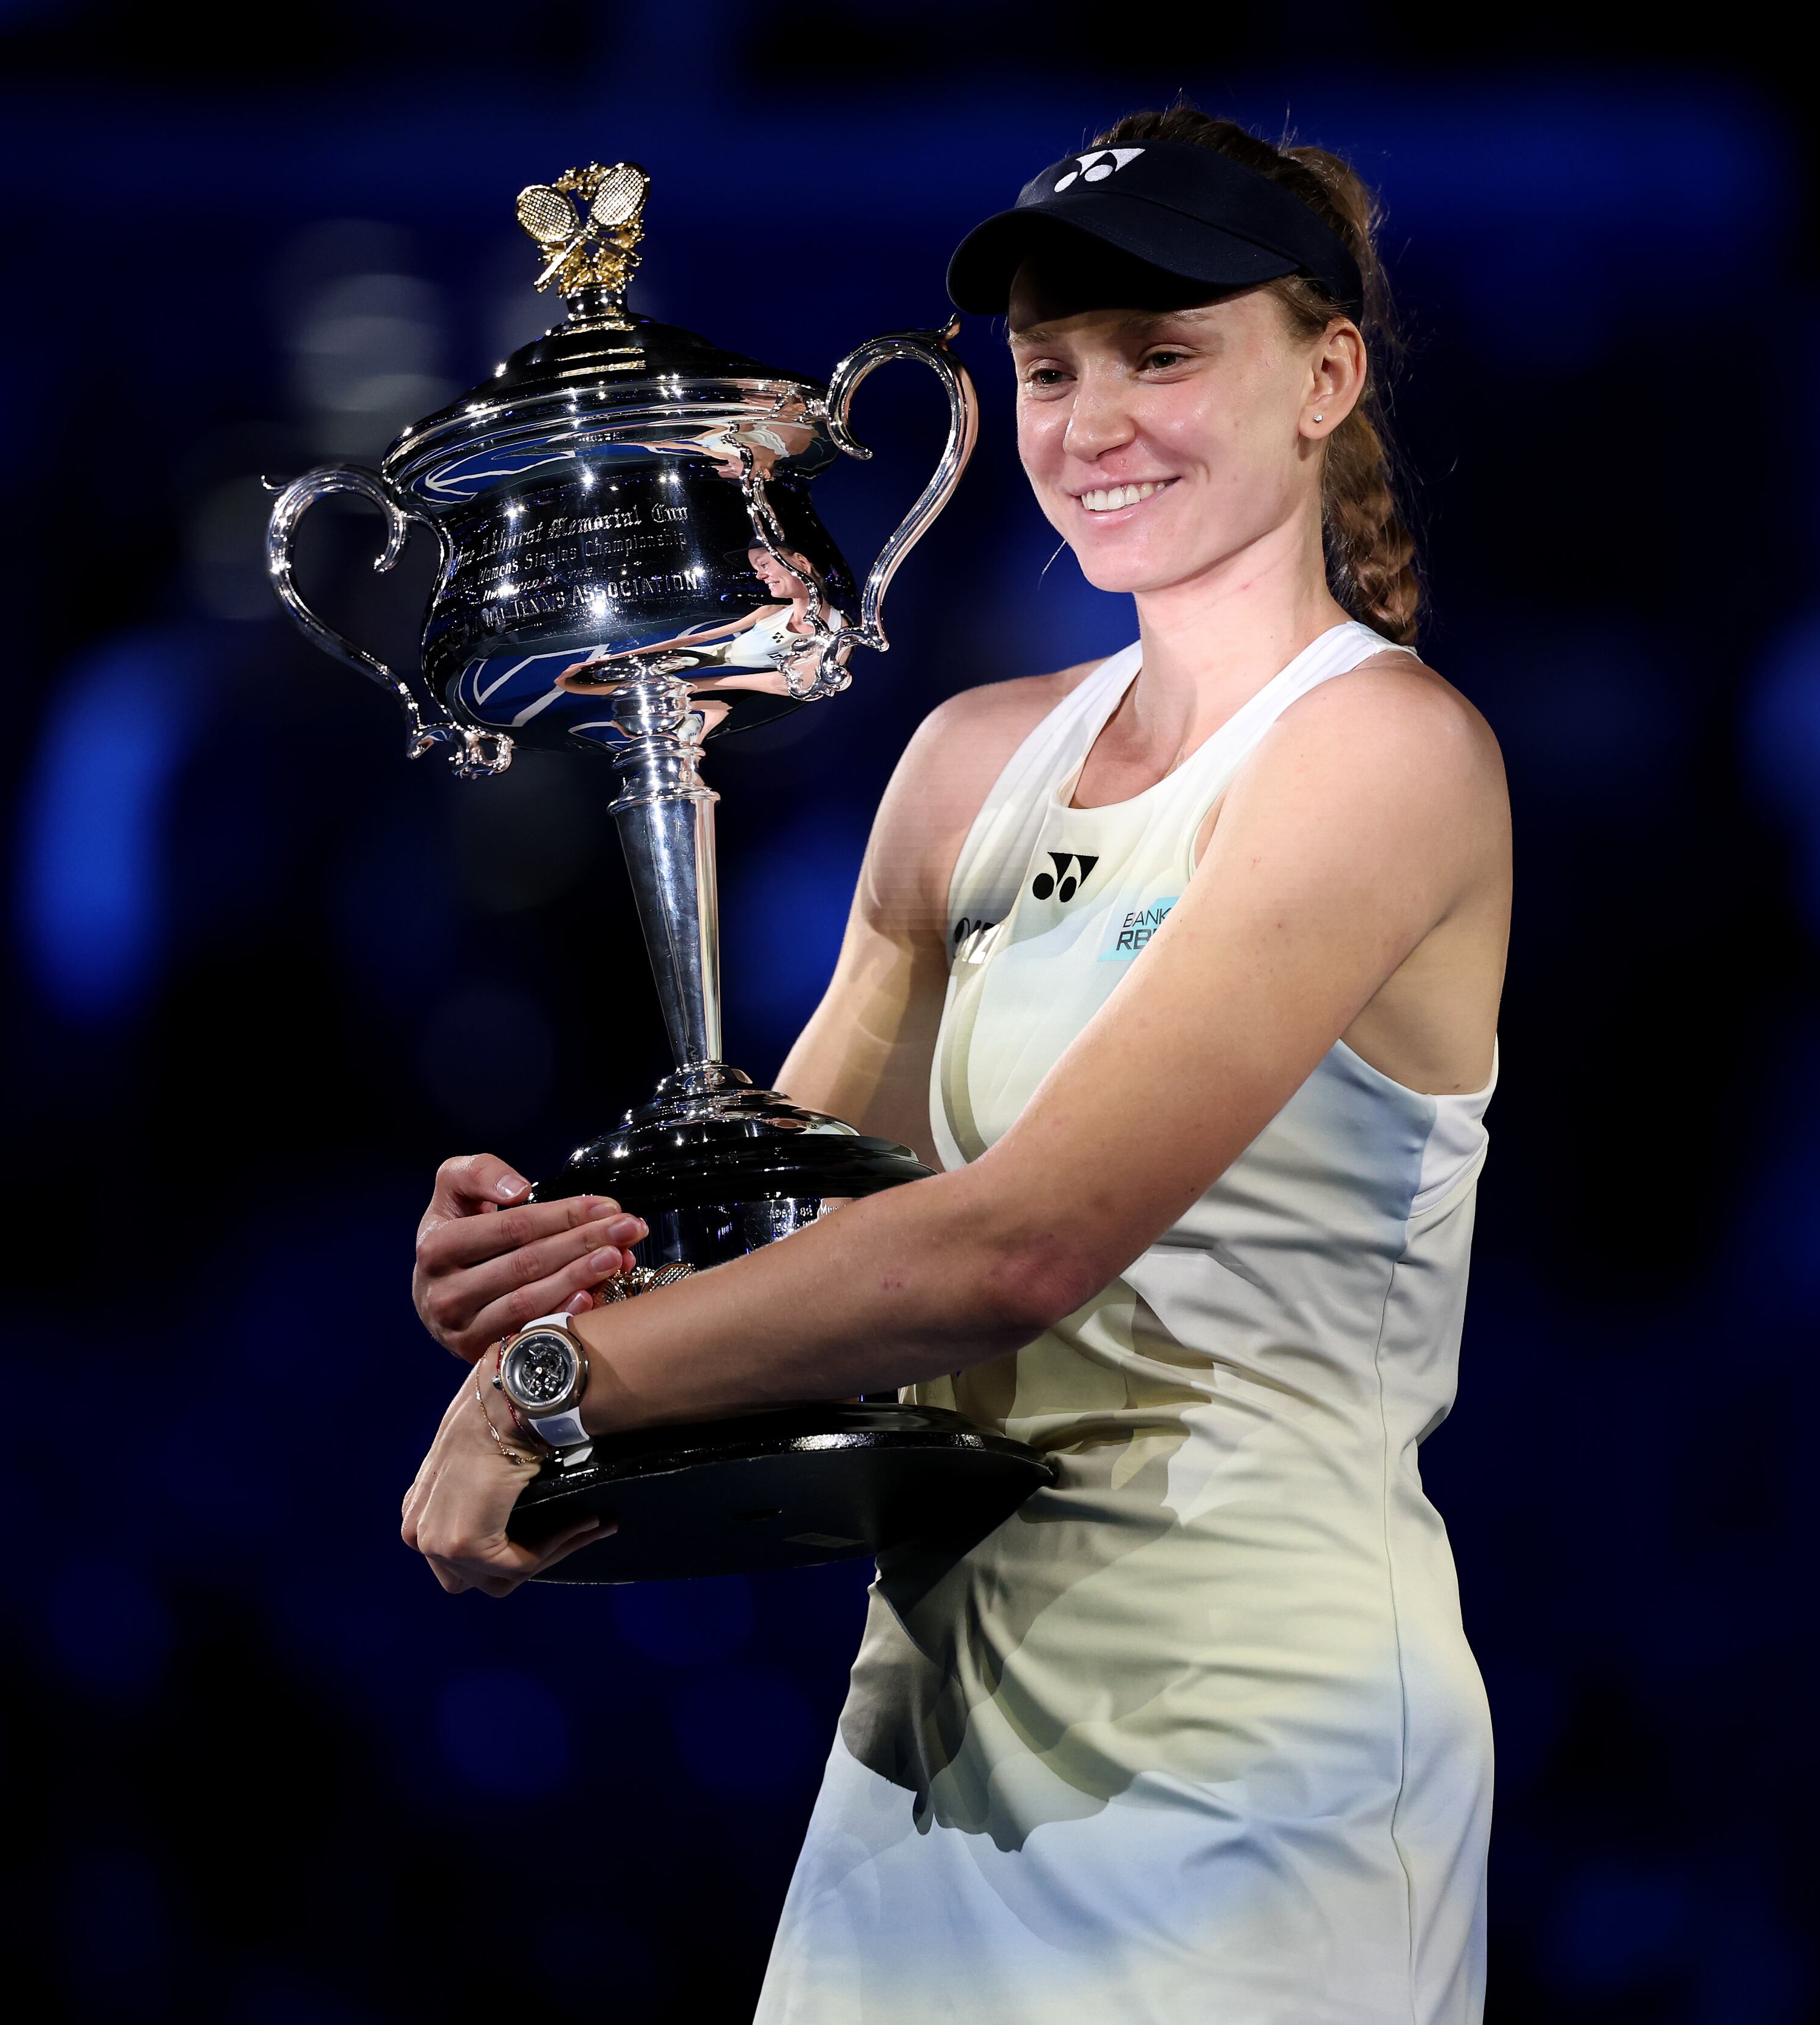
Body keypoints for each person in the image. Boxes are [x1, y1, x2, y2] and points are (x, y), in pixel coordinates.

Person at [397, 107, 1510, 2023]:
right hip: (930, 1744)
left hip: (1252, 1763)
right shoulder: (972, 766)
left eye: (1167, 356)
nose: (1095, 425)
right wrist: (562, 1272)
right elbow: (781, 1255)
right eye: (1053, 368)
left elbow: (1021, 1244)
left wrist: (563, 1385)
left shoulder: (1384, 756)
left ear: (1327, 375)